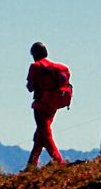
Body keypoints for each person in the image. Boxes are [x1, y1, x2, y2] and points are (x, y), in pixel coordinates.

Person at [26, 41, 70, 169]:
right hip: (53, 104)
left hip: (41, 104)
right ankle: (31, 165)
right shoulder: (57, 68)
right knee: (40, 134)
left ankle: (59, 162)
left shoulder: (35, 66)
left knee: (45, 135)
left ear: (34, 54)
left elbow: (30, 87)